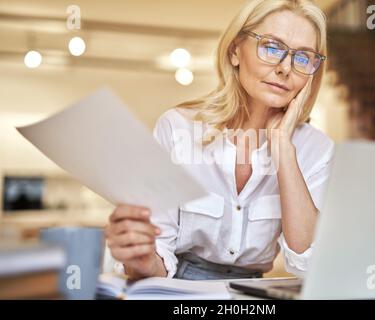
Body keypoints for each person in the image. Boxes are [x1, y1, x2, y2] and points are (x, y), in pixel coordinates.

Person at [105, 0, 334, 280]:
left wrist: (283, 149)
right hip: (176, 289)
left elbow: (308, 265)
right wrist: (138, 257)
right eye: (272, 47)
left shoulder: (316, 149)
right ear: (236, 50)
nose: (286, 67)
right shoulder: (179, 128)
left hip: (253, 295)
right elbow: (155, 262)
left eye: (302, 57)